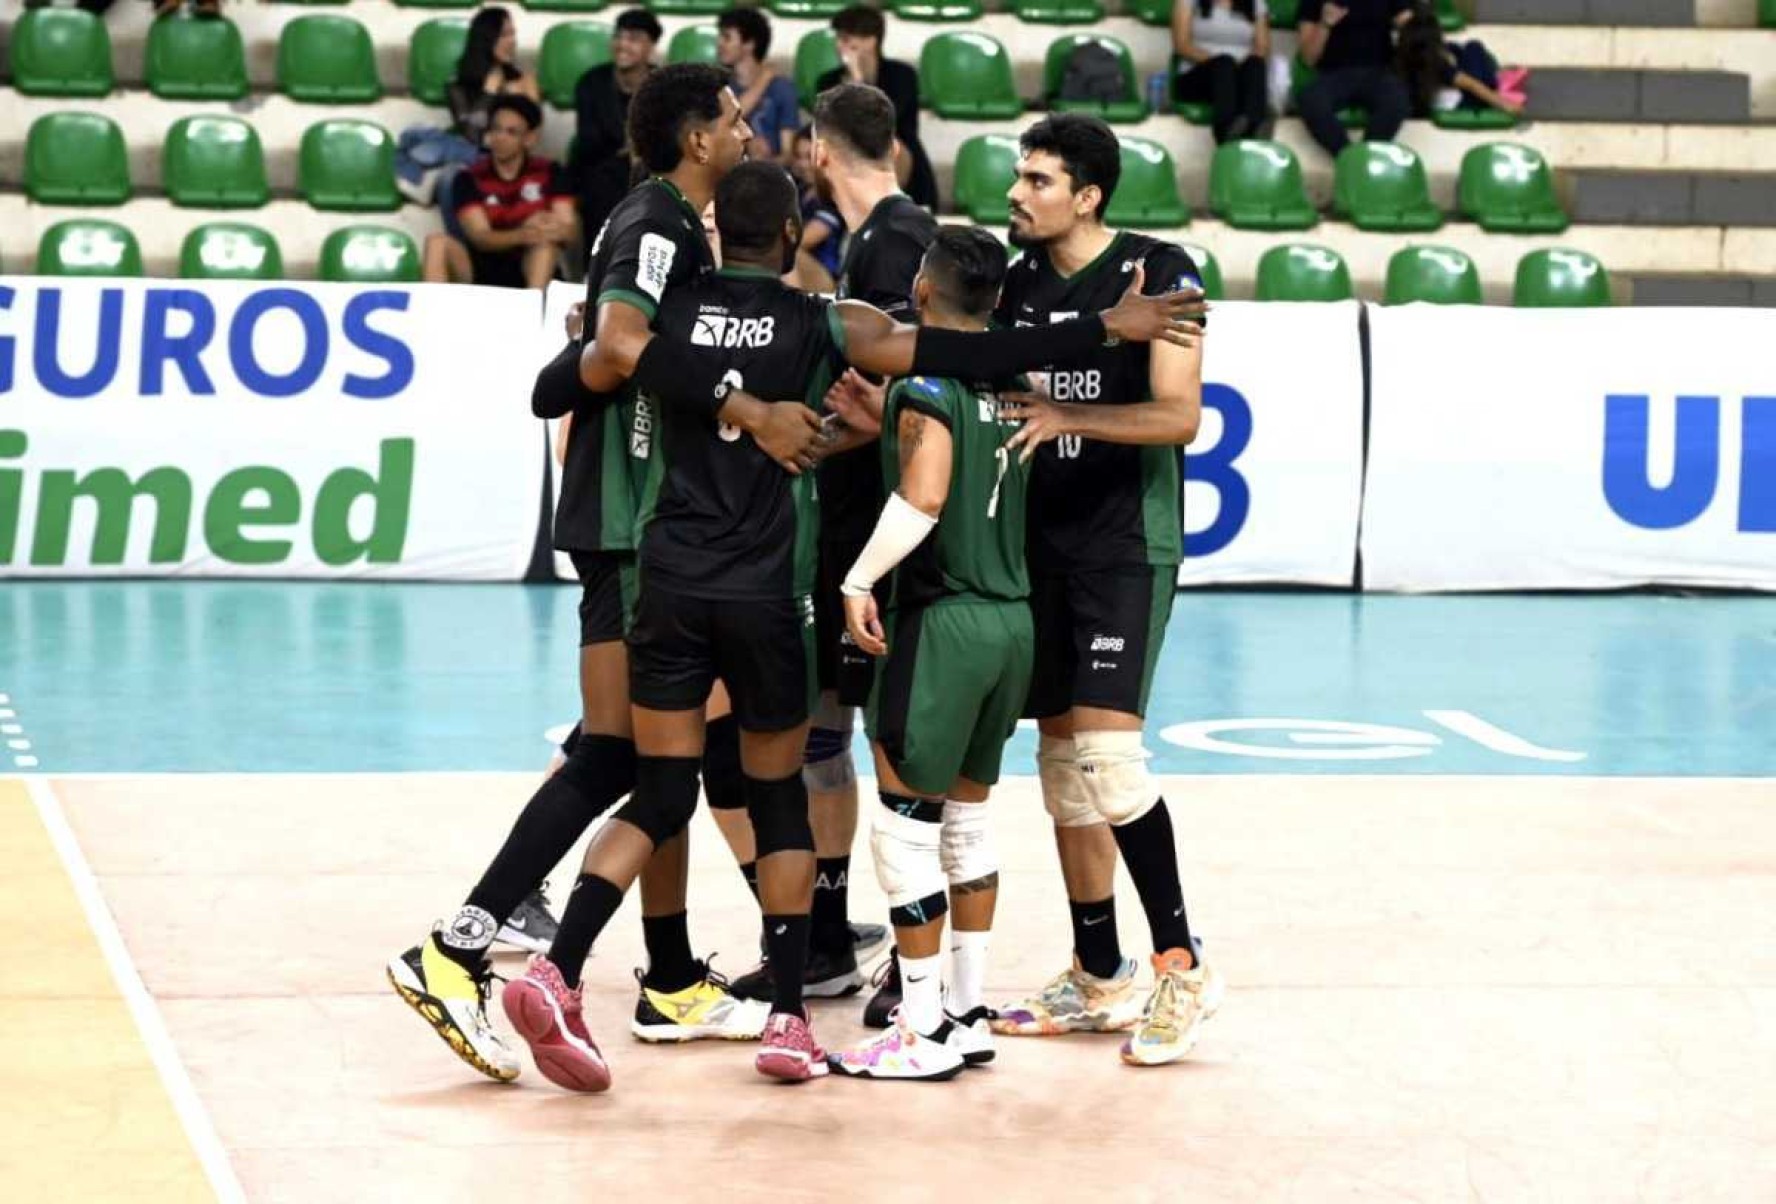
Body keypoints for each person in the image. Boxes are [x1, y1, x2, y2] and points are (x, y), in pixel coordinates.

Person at [512, 155, 1202, 1090]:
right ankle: (815, 1017)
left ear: (716, 236)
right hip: (827, 604)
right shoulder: (832, 326)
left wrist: (632, 354)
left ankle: (560, 969)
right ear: (796, 237)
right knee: (816, 800)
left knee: (665, 788)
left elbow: (559, 390)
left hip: (675, 584)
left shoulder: (662, 323)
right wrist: (1103, 328)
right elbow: (970, 355)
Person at [980, 113, 1224, 1068]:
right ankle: (1097, 976)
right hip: (1035, 545)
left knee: (1111, 763)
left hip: (1124, 545)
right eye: (1018, 176)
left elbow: (1181, 416)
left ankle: (1183, 968)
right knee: (1060, 768)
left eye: (1037, 180)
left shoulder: (1164, 271)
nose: (1016, 193)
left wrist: (1066, 411)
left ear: (1087, 196)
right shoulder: (1015, 280)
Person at [720, 82, 940, 1025]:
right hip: (845, 532)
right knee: (824, 739)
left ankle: (898, 953)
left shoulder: (894, 238)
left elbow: (903, 387)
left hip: (877, 538)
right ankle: (825, 938)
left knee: (877, 749)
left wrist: (799, 438)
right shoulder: (875, 237)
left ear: (816, 149)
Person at [827, 226, 1032, 1082]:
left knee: (905, 831)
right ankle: (969, 1011)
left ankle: (916, 1025)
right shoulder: (1014, 382)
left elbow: (926, 493)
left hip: (943, 621)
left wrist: (857, 579)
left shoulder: (927, 385)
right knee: (971, 820)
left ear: (925, 293)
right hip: (1012, 620)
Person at [422, 96, 576, 290]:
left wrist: (546, 226)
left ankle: (532, 313)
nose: (500, 137)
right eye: (496, 129)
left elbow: (567, 229)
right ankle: (431, 316)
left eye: (511, 132)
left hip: (530, 263)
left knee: (544, 247)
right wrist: (524, 232)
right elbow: (481, 237)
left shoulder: (551, 171)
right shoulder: (468, 177)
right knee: (436, 243)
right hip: (481, 266)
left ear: (530, 138)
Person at [397, 6, 539, 209]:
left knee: (442, 146)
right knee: (415, 135)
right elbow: (471, 133)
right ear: (486, 39)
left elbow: (530, 137)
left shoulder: (524, 81)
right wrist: (489, 92)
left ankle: (425, 172)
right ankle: (422, 176)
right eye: (505, 35)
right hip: (471, 148)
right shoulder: (458, 84)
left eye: (513, 34)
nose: (512, 41)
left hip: (503, 156)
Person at [815, 6, 936, 210]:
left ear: (871, 41)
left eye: (846, 39)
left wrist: (858, 82)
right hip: (848, 162)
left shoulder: (902, 75)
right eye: (838, 39)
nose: (839, 46)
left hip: (901, 164)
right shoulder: (828, 81)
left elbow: (879, 122)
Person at [571, 7, 662, 249]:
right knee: (601, 181)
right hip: (601, 168)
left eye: (633, 39)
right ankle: (595, 269)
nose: (622, 44)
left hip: (652, 167)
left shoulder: (662, 84)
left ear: (651, 46)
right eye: (619, 36)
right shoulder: (591, 82)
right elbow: (588, 141)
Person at [1295, 0, 1413, 158]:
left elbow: (1415, 28)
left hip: (1379, 74)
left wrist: (1407, 25)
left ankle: (1366, 158)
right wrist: (1324, 24)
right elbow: (1309, 58)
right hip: (1333, 75)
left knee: (1398, 101)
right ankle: (1349, 159)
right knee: (1310, 101)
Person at [1394, 2, 1520, 119]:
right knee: (1474, 46)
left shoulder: (1401, 57)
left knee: (1454, 48)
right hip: (1462, 103)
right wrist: (1504, 104)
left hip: (1428, 101)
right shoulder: (1438, 65)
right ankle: (1497, 79)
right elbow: (1472, 85)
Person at [1172, 0, 1272, 144]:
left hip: (1238, 74)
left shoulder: (1256, 3)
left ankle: (1254, 127)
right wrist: (1222, 62)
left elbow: (1262, 48)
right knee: (1224, 65)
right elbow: (1181, 45)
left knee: (1256, 64)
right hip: (1198, 75)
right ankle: (1225, 133)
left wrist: (1237, 68)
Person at [718, 7, 801, 162]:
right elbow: (726, 119)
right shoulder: (720, 85)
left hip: (772, 174)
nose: (719, 44)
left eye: (727, 38)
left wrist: (764, 164)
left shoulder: (782, 89)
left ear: (749, 44)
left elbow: (788, 153)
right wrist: (764, 79)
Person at [789, 127, 844, 292]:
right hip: (796, 272)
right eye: (799, 157)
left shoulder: (833, 197)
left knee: (787, 252)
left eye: (809, 157)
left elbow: (805, 240)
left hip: (825, 278)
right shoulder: (798, 190)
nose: (803, 164)